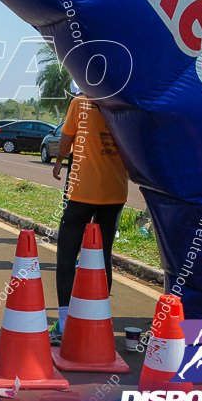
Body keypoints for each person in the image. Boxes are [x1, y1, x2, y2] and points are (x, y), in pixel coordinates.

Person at [48, 90, 128, 345]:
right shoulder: (125, 105)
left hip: (81, 192)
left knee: (67, 255)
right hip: (115, 192)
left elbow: (67, 137)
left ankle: (64, 322)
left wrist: (60, 159)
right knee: (102, 256)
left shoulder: (80, 103)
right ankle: (99, 320)